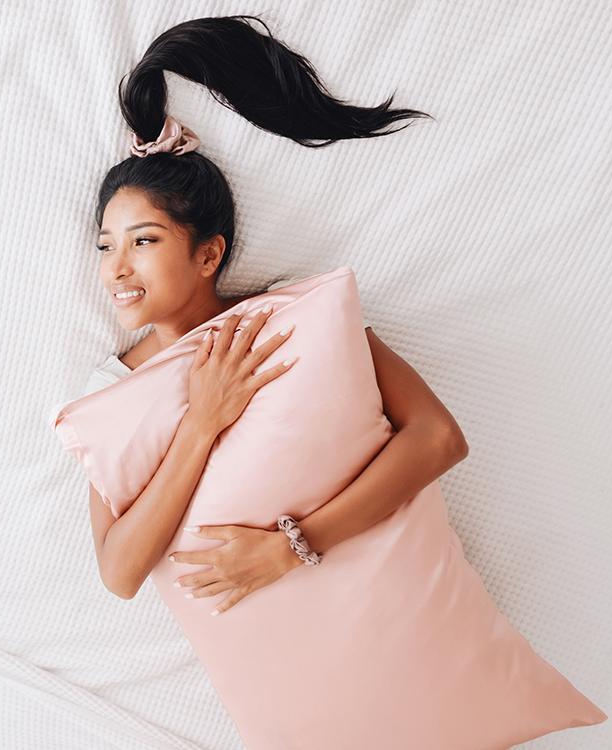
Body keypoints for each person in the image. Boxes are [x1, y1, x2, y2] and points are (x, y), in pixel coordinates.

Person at [86, 15, 468, 614]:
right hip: (272, 657)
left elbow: (439, 437)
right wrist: (201, 423)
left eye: (144, 241)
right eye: (106, 245)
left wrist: (292, 547)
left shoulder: (295, 316)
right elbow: (118, 570)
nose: (116, 268)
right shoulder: (112, 392)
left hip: (384, 603)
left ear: (208, 253)